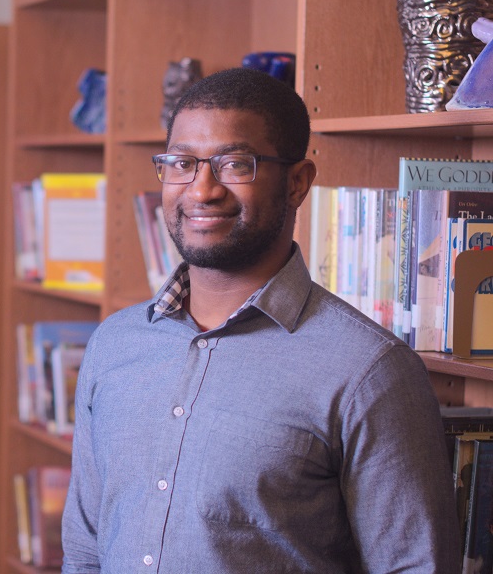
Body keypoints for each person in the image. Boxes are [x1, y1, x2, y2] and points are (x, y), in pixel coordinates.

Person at [61, 67, 460, 573]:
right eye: (182, 163)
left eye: (234, 164)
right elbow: (85, 553)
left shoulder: (369, 369)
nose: (202, 190)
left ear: (298, 182)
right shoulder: (115, 345)